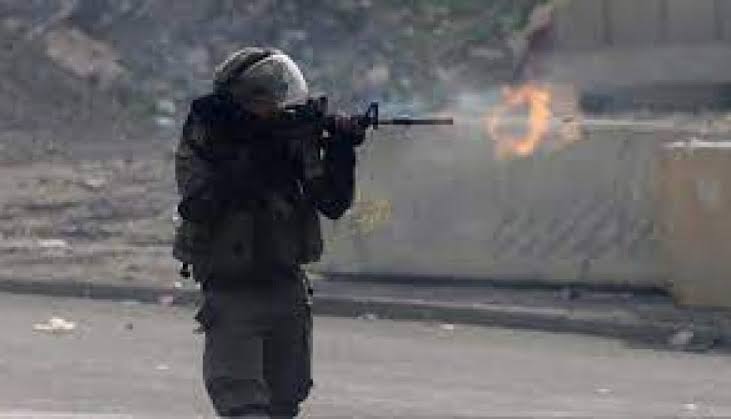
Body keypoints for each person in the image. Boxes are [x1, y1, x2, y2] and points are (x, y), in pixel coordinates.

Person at [173, 47, 362, 418]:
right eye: (266, 98)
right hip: (233, 286)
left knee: (285, 399)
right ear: (243, 100)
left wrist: (341, 150)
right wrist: (255, 158)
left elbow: (331, 202)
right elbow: (198, 204)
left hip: (285, 282)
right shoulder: (208, 132)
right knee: (242, 401)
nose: (277, 106)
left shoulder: (290, 135)